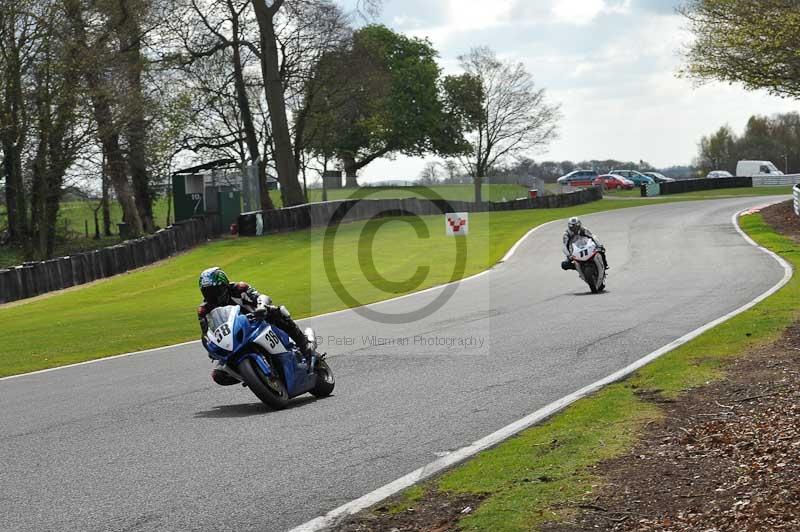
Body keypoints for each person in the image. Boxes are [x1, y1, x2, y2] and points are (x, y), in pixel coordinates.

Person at [197, 267, 311, 384]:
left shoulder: (239, 288)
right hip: (234, 339)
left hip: (257, 322)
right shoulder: (204, 310)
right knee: (219, 375)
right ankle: (254, 375)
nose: (213, 295)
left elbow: (262, 297)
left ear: (224, 285)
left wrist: (261, 307)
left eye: (216, 290)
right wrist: (212, 348)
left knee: (277, 312)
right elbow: (207, 333)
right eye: (207, 292)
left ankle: (304, 345)